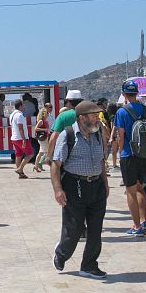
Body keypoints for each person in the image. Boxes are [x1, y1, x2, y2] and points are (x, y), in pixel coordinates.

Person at [51, 101, 109, 279]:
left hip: (96, 186)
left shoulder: (98, 133)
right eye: (93, 115)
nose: (97, 119)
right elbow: (56, 164)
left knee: (95, 229)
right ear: (82, 117)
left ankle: (89, 266)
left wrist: (105, 183)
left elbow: (100, 161)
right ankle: (62, 253)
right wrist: (58, 189)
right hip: (74, 186)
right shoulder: (68, 135)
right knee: (74, 229)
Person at [114, 81, 146, 235]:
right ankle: (144, 220)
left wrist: (120, 151)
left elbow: (120, 135)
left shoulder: (121, 112)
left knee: (130, 191)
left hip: (129, 154)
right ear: (137, 93)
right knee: (140, 187)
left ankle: (136, 226)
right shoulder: (145, 109)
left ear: (123, 94)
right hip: (144, 154)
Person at [48, 90, 84, 161]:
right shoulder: (88, 115)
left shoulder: (63, 116)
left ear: (69, 102)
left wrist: (48, 156)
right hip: (84, 151)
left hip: (67, 152)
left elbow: (54, 136)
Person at [9, 99, 33, 179]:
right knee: (30, 154)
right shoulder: (19, 115)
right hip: (20, 138)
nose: (24, 107)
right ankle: (20, 169)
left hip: (14, 138)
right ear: (20, 106)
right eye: (23, 105)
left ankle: (21, 174)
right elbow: (20, 128)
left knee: (18, 155)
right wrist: (24, 139)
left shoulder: (12, 115)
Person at [33, 105, 50, 172]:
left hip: (45, 137)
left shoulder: (45, 121)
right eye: (47, 113)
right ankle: (51, 165)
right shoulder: (41, 121)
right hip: (43, 138)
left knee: (40, 153)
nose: (48, 114)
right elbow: (36, 128)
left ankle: (36, 166)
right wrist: (44, 129)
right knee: (48, 152)